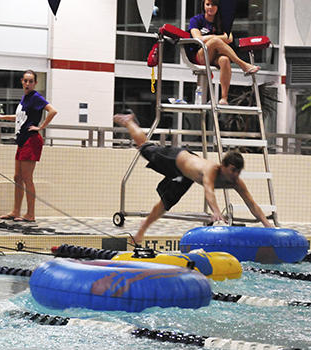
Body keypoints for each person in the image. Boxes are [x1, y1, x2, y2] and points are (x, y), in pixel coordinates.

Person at [113, 112, 274, 245]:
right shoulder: (212, 170)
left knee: (165, 203)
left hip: (185, 176)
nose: (235, 175)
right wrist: (216, 212)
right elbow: (209, 191)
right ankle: (129, 122)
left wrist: (267, 224)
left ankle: (140, 233)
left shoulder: (236, 182)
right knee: (145, 148)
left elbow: (251, 203)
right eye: (233, 170)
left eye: (238, 171)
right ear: (223, 165)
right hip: (176, 159)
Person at [0, 70, 57, 222]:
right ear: (22, 81)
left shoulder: (36, 97)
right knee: (17, 177)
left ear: (35, 83)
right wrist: (1, 117)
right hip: (22, 140)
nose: (27, 84)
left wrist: (40, 127)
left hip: (31, 140)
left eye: (30, 81)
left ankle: (30, 214)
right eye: (25, 81)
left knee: (27, 178)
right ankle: (16, 210)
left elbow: (53, 111)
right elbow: (20, 117)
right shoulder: (25, 98)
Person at [188, 0, 260, 105]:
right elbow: (198, 39)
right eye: (207, 4)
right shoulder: (196, 20)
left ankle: (223, 98)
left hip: (214, 57)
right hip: (200, 56)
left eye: (213, 5)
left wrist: (210, 38)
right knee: (216, 41)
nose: (210, 7)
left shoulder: (222, 20)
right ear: (203, 5)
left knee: (225, 60)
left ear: (218, 7)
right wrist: (215, 39)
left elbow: (229, 38)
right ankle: (243, 64)